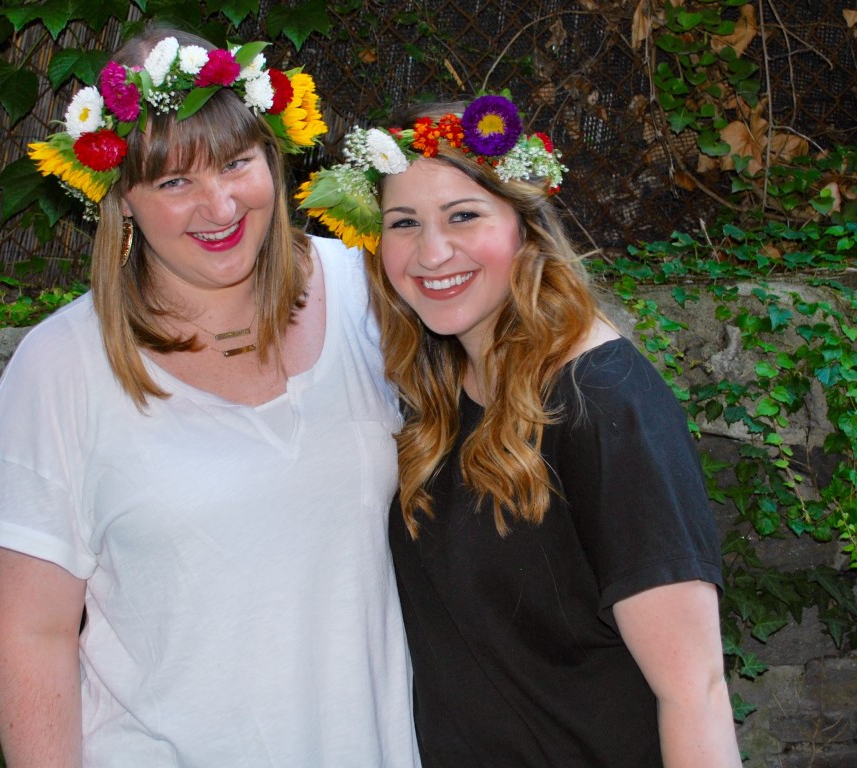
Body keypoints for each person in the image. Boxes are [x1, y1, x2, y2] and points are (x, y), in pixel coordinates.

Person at [0, 26, 421, 767]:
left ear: (273, 155)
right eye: (175, 181)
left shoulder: (367, 292)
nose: (219, 206)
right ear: (123, 199)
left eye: (237, 163)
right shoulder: (62, 368)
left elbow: (517, 332)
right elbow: (33, 636)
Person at [298, 95, 742, 767]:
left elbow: (696, 691)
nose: (432, 251)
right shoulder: (432, 395)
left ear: (525, 227)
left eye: (464, 216)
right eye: (404, 223)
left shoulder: (604, 401)